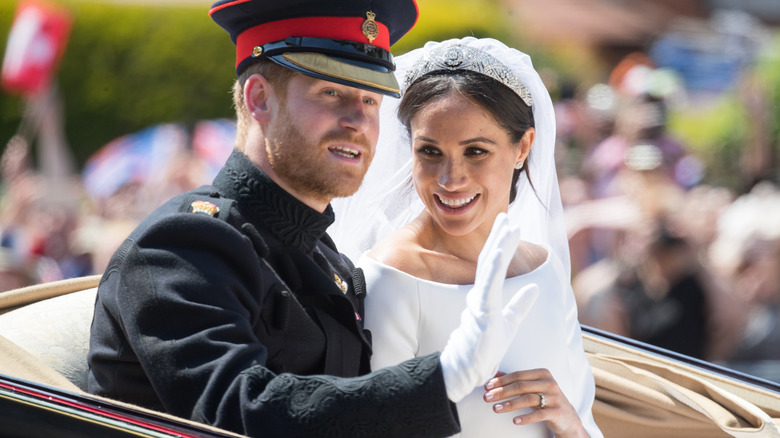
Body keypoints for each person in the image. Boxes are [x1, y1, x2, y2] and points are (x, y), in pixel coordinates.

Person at [87, 2, 537, 437]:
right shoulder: (182, 246)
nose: (358, 121)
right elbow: (240, 413)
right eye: (331, 92)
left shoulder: (328, 259)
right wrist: (443, 376)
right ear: (260, 98)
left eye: (370, 99)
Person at [331, 37, 602, 437]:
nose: (450, 179)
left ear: (523, 147)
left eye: (476, 151)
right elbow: (379, 424)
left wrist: (569, 422)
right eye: (430, 152)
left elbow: (583, 419)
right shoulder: (392, 276)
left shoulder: (544, 269)